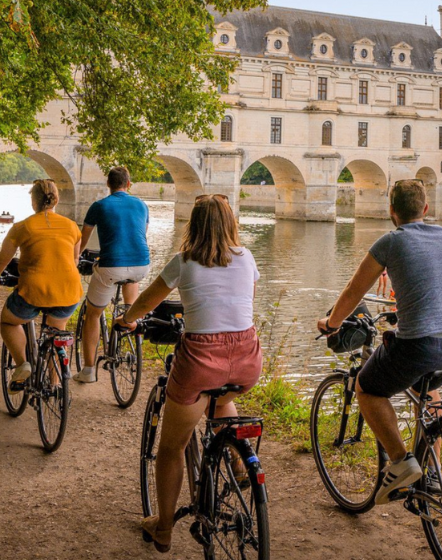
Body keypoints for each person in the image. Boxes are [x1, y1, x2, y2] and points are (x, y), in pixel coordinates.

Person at [116, 194, 262, 553]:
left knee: (171, 448)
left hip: (201, 359)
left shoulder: (183, 262)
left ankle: (163, 527)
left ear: (193, 225)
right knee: (222, 397)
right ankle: (239, 464)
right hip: (247, 357)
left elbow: (148, 300)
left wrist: (127, 318)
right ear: (231, 224)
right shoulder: (248, 258)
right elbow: (237, 300)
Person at [317, 180, 442, 506]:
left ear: (391, 211)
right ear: (426, 209)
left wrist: (331, 323)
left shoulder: (390, 241)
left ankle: (402, 462)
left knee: (367, 387)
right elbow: (438, 290)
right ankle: (433, 473)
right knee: (426, 389)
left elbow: (353, 293)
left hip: (421, 346)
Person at [0, 180, 83, 391]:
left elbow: (2, 261)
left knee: (7, 321)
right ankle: (54, 387)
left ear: (33, 201)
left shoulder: (22, 227)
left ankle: (22, 365)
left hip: (33, 291)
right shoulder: (72, 226)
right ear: (56, 200)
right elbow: (74, 261)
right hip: (68, 290)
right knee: (56, 332)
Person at [75, 167, 150, 383]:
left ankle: (88, 371)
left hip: (111, 266)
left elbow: (83, 240)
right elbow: (139, 236)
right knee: (132, 276)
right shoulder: (141, 205)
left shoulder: (99, 206)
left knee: (93, 314)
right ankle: (129, 314)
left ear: (108, 184)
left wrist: (75, 259)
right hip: (141, 264)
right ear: (128, 184)